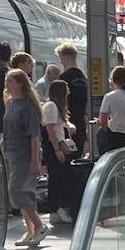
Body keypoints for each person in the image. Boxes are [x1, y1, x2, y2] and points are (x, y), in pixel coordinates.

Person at [2, 69, 46, 247]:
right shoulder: (11, 103)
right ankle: (31, 230)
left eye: (11, 81)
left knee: (17, 190)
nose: (7, 85)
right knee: (21, 191)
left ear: (21, 83)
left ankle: (39, 226)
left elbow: (34, 135)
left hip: (24, 154)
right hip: (11, 152)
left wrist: (34, 160)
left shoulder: (27, 107)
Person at [42, 80, 77, 225]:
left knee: (58, 177)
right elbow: (50, 130)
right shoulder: (51, 106)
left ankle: (56, 210)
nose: (68, 93)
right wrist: (57, 150)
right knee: (57, 178)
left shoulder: (54, 107)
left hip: (58, 145)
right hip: (54, 146)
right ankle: (58, 207)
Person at [54, 43, 90, 152]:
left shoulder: (63, 78)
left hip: (67, 123)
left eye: (61, 58)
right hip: (81, 122)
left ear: (66, 57)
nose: (61, 61)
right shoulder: (83, 78)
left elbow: (57, 100)